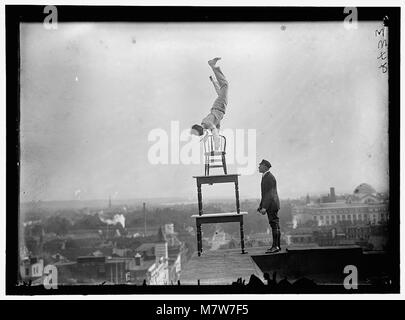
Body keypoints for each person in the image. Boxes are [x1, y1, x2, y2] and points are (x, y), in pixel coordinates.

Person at [190, 57, 228, 149]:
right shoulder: (209, 124)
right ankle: (214, 74)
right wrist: (213, 81)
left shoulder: (207, 122)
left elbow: (214, 130)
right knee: (220, 92)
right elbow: (217, 127)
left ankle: (213, 65)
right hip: (220, 107)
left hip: (219, 107)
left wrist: (217, 144)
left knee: (225, 85)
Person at [257, 159, 281, 253]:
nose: (258, 167)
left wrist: (264, 207)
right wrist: (261, 206)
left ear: (265, 167)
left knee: (274, 225)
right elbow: (265, 194)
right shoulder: (266, 176)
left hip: (272, 205)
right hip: (272, 204)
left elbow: (270, 194)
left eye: (260, 165)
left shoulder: (269, 177)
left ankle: (275, 247)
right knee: (275, 225)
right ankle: (277, 246)